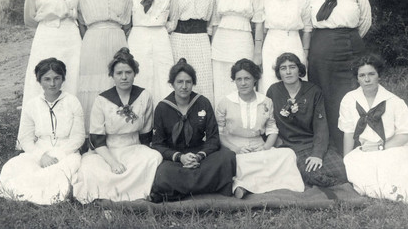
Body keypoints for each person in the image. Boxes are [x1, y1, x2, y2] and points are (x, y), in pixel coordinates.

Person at [338, 54, 408, 205]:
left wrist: (380, 146)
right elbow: (348, 131)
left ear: (379, 76)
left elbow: (406, 134)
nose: (367, 79)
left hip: (395, 147)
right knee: (358, 168)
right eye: (362, 75)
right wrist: (347, 159)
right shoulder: (349, 99)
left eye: (371, 74)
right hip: (366, 149)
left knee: (388, 169)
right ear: (357, 78)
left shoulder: (395, 101)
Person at [0, 58, 85, 205]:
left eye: (57, 78)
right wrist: (41, 156)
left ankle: (39, 196)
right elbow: (25, 139)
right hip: (40, 151)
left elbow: (78, 138)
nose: (52, 83)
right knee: (13, 167)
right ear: (39, 80)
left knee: (56, 172)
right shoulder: (32, 105)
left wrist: (57, 155)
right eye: (47, 79)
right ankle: (32, 193)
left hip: (67, 152)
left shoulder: (72, 102)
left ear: (63, 79)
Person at [73, 48, 162, 203]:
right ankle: (111, 194)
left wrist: (141, 153)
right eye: (119, 73)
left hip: (134, 146)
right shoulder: (102, 100)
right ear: (112, 75)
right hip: (107, 150)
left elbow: (146, 133)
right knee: (89, 166)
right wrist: (113, 163)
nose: (124, 77)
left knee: (153, 157)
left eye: (128, 72)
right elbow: (96, 139)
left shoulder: (144, 96)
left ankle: (137, 193)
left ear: (135, 73)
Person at [307, 0, 371, 154]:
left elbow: (365, 20)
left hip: (351, 49)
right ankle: (332, 144)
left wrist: (349, 38)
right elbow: (307, 22)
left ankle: (360, 142)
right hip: (322, 50)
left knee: (353, 93)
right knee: (326, 96)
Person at [216, 59, 304, 199]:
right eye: (239, 79)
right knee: (239, 162)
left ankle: (246, 186)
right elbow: (219, 134)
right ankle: (250, 185)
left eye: (247, 78)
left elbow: (272, 129)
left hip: (259, 146)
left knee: (288, 154)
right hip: (234, 147)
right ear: (234, 81)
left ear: (255, 79)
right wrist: (236, 149)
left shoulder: (265, 101)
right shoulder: (225, 102)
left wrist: (265, 146)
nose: (243, 83)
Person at [151, 59, 236, 202]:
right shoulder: (162, 107)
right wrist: (180, 157)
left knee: (227, 157)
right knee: (163, 173)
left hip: (199, 155)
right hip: (175, 158)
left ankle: (180, 190)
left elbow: (213, 138)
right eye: (179, 82)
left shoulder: (202, 102)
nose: (184, 86)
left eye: (188, 82)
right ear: (172, 84)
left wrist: (199, 156)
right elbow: (158, 144)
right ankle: (208, 186)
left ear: (193, 83)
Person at [267, 53, 347, 187]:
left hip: (314, 142)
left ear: (299, 70)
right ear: (278, 72)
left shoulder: (313, 91)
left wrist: (317, 154)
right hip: (291, 147)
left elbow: (321, 125)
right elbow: (269, 122)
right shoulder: (273, 91)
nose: (288, 72)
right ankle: (331, 185)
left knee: (342, 170)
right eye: (283, 68)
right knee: (314, 174)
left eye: (292, 67)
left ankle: (335, 183)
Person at [77, 0, 133, 135]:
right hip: (92, 41)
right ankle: (92, 133)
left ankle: (118, 129)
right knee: (93, 83)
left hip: (117, 39)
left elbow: (127, 24)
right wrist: (92, 40)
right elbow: (82, 22)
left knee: (116, 80)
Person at [22, 0, 82, 109]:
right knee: (45, 76)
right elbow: (29, 18)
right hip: (47, 36)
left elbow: (81, 13)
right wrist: (49, 27)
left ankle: (69, 122)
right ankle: (40, 124)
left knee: (71, 77)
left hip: (71, 36)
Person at [211, 0, 264, 106]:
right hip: (221, 45)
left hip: (242, 42)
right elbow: (215, 22)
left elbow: (259, 22)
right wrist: (213, 47)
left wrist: (257, 52)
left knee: (242, 79)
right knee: (221, 83)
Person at [127, 0, 177, 105]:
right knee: (139, 73)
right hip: (138, 36)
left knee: (163, 75)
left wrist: (161, 29)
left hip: (160, 36)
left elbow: (173, 19)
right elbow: (127, 17)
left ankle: (163, 115)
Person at [260, 0, 312, 93]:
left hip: (294, 42)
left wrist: (305, 54)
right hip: (272, 43)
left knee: (296, 81)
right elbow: (261, 28)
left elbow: (307, 28)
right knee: (270, 81)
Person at [171, 0, 216, 105]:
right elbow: (172, 19)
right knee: (180, 76)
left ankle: (203, 117)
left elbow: (212, 22)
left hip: (201, 39)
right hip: (179, 38)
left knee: (202, 79)